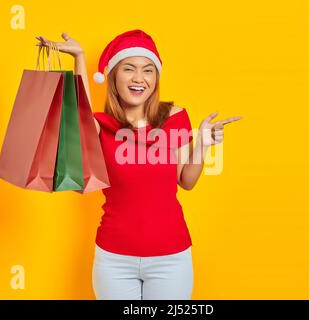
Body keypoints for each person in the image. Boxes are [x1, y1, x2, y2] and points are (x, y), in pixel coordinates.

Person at [35, 29, 242, 300]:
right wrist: (80, 58)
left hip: (171, 257)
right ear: (113, 78)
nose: (138, 78)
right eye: (128, 69)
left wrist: (202, 144)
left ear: (156, 79)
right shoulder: (101, 127)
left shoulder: (175, 118)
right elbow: (79, 115)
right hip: (114, 258)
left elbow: (187, 181)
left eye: (148, 70)